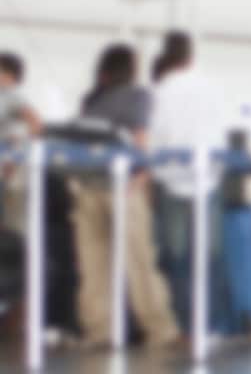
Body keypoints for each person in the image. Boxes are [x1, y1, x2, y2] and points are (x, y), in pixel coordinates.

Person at [72, 44, 179, 348]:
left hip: (87, 184)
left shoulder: (92, 99)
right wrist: (143, 174)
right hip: (123, 185)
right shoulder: (138, 95)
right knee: (139, 260)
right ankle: (159, 328)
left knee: (94, 263)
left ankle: (98, 329)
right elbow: (140, 136)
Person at [147, 31, 231, 335]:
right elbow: (222, 130)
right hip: (208, 177)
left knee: (178, 256)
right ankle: (214, 323)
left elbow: (155, 136)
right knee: (211, 254)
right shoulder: (210, 86)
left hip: (172, 181)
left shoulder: (162, 89)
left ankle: (184, 324)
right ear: (191, 55)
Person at [0, 51, 41, 230]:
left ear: (9, 74)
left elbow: (36, 123)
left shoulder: (12, 96)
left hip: (5, 163)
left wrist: (17, 154)